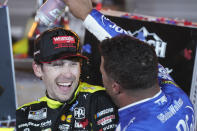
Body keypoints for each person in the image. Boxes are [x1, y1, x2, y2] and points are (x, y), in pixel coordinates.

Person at [63, 0, 196, 130]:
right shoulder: (177, 96)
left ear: (115, 87)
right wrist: (88, 14)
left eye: (102, 73)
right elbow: (131, 44)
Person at [16, 27, 118, 131]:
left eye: (73, 64)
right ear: (37, 69)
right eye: (57, 65)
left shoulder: (99, 101)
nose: (68, 74)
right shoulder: (23, 116)